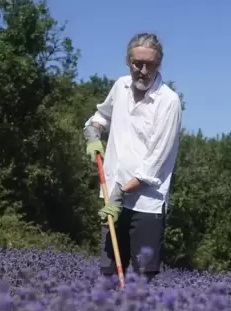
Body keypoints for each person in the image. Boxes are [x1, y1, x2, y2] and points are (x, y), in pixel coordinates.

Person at [82, 32, 183, 283]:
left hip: (145, 205)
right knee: (108, 273)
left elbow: (154, 164)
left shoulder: (169, 102)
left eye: (150, 64)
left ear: (159, 64)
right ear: (128, 61)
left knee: (141, 279)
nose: (143, 70)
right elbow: (102, 115)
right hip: (112, 199)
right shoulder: (120, 86)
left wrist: (119, 193)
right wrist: (93, 131)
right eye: (138, 63)